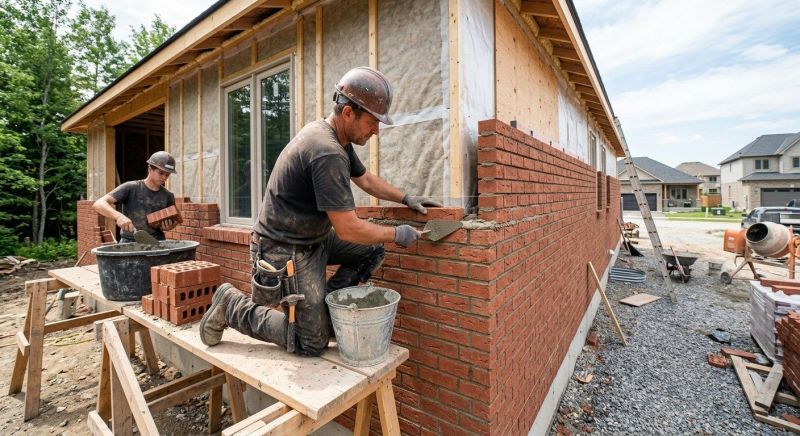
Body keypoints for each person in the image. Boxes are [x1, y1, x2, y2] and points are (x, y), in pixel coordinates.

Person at [200, 67, 442, 356]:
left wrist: (406, 198)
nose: (376, 131)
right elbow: (348, 229)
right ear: (348, 113)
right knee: (311, 343)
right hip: (284, 247)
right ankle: (231, 305)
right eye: (372, 122)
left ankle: (321, 314)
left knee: (372, 250)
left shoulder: (337, 138)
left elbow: (365, 179)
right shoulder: (326, 151)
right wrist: (397, 233)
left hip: (313, 238)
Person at [93, 151, 178, 243]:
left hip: (156, 242)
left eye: (167, 174)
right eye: (161, 173)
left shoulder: (168, 196)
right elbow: (98, 204)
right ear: (150, 169)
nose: (164, 177)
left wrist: (169, 226)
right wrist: (118, 216)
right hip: (129, 242)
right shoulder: (131, 187)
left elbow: (173, 220)